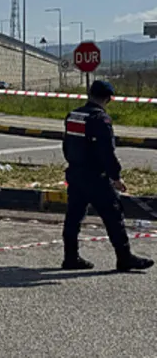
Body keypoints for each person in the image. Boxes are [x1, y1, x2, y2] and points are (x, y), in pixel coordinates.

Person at [61, 80, 153, 272]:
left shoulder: (73, 115)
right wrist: (116, 177)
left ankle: (70, 257)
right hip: (95, 177)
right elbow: (107, 153)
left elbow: (66, 145)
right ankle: (124, 258)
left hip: (75, 173)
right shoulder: (101, 120)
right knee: (113, 215)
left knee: (73, 217)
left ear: (89, 95)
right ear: (108, 99)